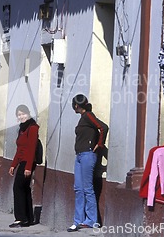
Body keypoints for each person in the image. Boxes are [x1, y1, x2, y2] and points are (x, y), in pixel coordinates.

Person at [67, 94, 108, 232]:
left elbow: (103, 127)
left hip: (87, 155)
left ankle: (91, 220)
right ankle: (78, 220)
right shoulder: (83, 119)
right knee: (78, 189)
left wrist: (100, 144)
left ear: (76, 106)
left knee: (87, 188)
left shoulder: (88, 116)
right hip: (79, 156)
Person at [8, 105, 39, 228]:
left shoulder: (32, 128)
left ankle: (20, 218)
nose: (21, 116)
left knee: (18, 188)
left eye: (23, 114)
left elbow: (31, 148)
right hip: (22, 162)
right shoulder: (22, 129)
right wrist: (13, 165)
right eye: (19, 115)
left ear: (28, 114)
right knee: (24, 189)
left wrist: (28, 167)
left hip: (28, 162)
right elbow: (20, 149)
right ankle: (28, 218)